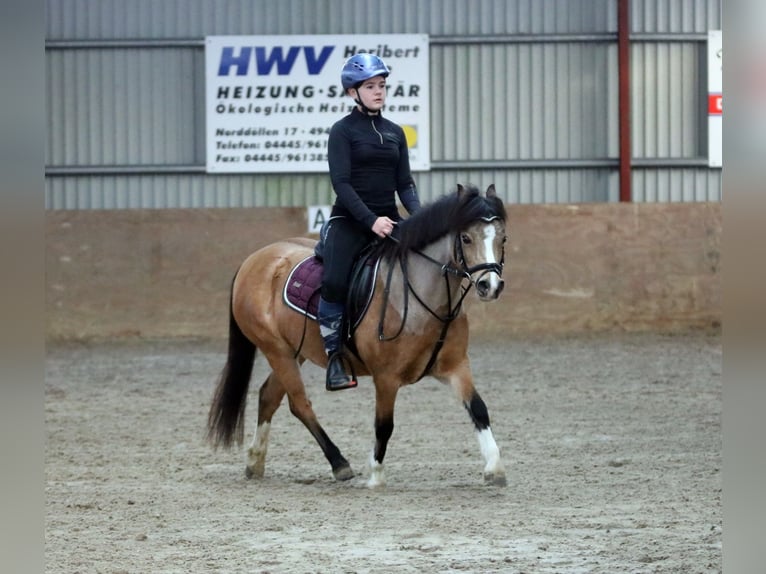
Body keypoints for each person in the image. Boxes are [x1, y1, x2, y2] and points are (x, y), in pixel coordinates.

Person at [318, 53, 421, 391]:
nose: (379, 92)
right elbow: (342, 184)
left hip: (389, 219)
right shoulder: (342, 132)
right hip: (350, 221)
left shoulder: (395, 133)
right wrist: (370, 220)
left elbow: (404, 183)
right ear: (352, 92)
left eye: (382, 85)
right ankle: (335, 356)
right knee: (333, 280)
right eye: (370, 86)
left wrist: (418, 219)